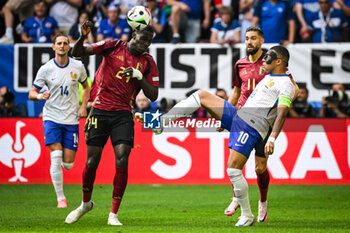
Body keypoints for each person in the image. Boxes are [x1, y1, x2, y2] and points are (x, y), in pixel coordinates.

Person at [149, 45, 298, 227]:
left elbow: (282, 112)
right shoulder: (270, 77)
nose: (264, 60)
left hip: (252, 125)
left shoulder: (286, 85)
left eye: (268, 57)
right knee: (201, 95)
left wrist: (273, 138)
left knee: (234, 169)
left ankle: (247, 215)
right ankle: (161, 123)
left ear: (279, 62)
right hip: (240, 116)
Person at [65, 21, 159, 225]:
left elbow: (153, 94)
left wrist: (140, 76)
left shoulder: (148, 62)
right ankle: (85, 204)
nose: (146, 45)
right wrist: (82, 36)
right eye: (144, 40)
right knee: (91, 163)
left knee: (122, 158)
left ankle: (113, 214)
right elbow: (77, 52)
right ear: (134, 34)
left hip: (123, 114)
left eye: (150, 42)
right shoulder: (113, 46)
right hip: (99, 111)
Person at [28, 34, 90, 208]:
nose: (62, 46)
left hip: (71, 119)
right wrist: (40, 95)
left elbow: (86, 87)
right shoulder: (46, 69)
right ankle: (60, 198)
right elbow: (32, 93)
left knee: (68, 164)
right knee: (55, 157)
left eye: (65, 43)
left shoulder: (78, 66)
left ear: (69, 47)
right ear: (53, 47)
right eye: (59, 43)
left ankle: (63, 167)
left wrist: (83, 106)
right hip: (52, 117)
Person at [223, 26, 271, 222]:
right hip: (241, 118)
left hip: (262, 120)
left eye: (253, 39)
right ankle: (236, 197)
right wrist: (224, 114)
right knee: (234, 163)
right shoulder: (239, 64)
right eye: (247, 38)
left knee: (260, 168)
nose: (249, 42)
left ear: (261, 41)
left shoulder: (271, 63)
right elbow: (236, 92)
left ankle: (263, 202)